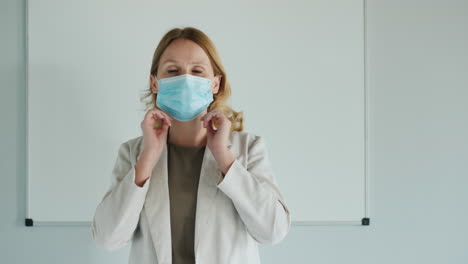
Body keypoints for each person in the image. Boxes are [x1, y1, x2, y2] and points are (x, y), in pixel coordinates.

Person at [92, 26, 291, 264]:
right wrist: (148, 157)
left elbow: (273, 232)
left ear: (215, 84)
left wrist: (223, 156)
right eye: (173, 71)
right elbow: (107, 238)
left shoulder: (248, 148)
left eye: (197, 71)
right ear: (155, 83)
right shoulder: (133, 153)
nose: (185, 80)